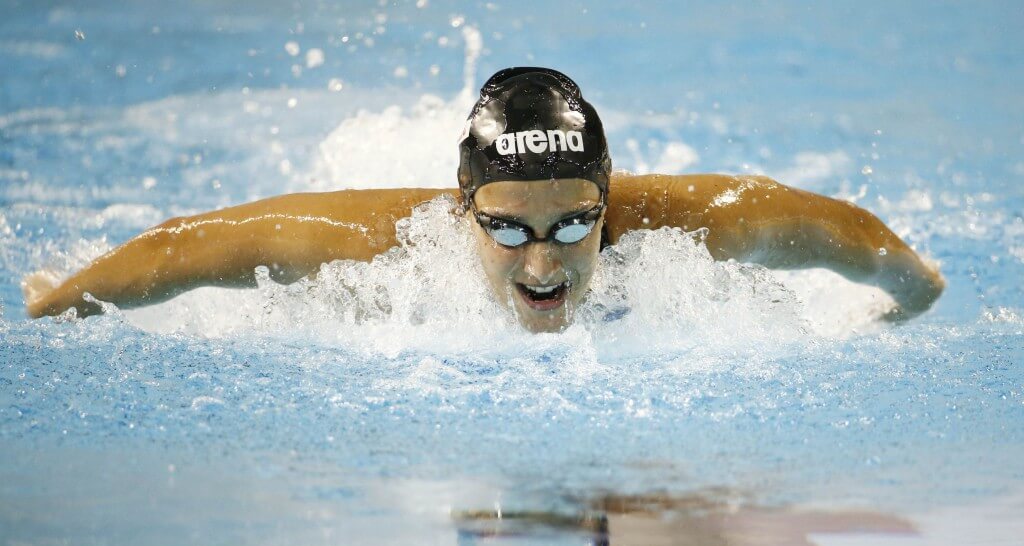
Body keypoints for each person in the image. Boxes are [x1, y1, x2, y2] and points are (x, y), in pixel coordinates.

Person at [22, 67, 944, 333]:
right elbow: (192, 248)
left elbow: (842, 233)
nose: (543, 264)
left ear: (609, 199)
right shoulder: (387, 239)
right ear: (463, 210)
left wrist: (911, 296)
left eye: (576, 224)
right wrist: (57, 301)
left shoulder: (686, 224)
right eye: (505, 228)